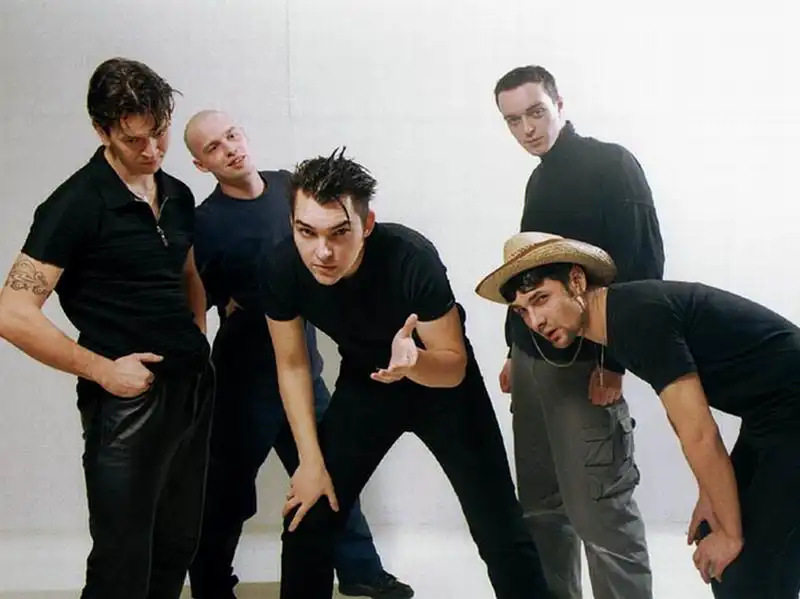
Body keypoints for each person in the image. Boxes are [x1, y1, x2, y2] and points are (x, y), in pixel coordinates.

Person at [231, 149, 552, 599]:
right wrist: (309, 461)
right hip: (368, 383)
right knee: (308, 515)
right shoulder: (281, 267)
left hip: (442, 386)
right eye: (307, 232)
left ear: (367, 224)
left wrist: (414, 362)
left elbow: (453, 364)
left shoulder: (411, 257)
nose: (322, 251)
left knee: (499, 527)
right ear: (292, 224)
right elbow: (293, 363)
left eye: (339, 232)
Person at [476, 231, 800, 599]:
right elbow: (687, 416)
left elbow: (698, 432)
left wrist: (731, 534)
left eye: (541, 299)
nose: (535, 321)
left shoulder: (636, 318)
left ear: (577, 281)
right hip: (771, 417)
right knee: (724, 546)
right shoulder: (619, 318)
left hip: (790, 416)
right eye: (522, 311)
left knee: (748, 575)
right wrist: (712, 496)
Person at [0, 58, 213, 599]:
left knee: (176, 545)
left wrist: (197, 335)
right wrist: (102, 371)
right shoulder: (74, 204)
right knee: (122, 563)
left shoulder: (178, 195)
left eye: (160, 133)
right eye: (134, 139)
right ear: (102, 131)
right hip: (127, 401)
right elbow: (12, 312)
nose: (152, 150)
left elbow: (186, 273)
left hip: (193, 387)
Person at [182, 110, 414, 599]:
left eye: (231, 135)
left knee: (331, 471)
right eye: (213, 148)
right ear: (202, 165)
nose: (229, 149)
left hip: (304, 368)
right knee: (227, 491)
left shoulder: (290, 187)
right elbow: (203, 294)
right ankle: (211, 584)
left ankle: (360, 571)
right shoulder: (205, 222)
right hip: (244, 379)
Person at [493, 64, 664, 599]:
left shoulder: (612, 164)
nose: (527, 129)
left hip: (587, 364)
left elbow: (644, 269)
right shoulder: (539, 177)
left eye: (536, 112)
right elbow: (527, 274)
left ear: (560, 104)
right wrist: (513, 347)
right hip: (531, 362)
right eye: (513, 120)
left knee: (602, 516)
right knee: (541, 508)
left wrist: (615, 362)